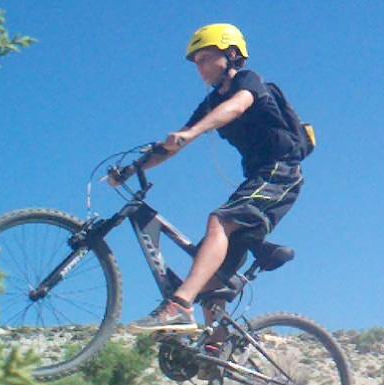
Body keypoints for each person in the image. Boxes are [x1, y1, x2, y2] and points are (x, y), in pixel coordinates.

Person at [110, 23, 305, 332]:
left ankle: (178, 306)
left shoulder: (249, 82)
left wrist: (192, 132)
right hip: (256, 179)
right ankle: (216, 347)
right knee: (208, 272)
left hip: (281, 173)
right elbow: (171, 148)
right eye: (196, 62)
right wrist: (133, 169)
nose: (199, 67)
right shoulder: (211, 103)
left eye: (204, 58)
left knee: (219, 221)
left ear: (230, 54)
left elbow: (237, 106)